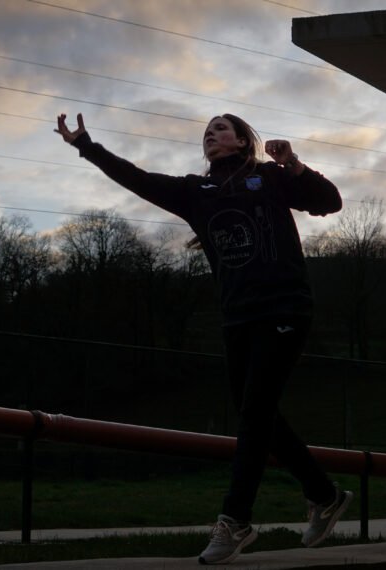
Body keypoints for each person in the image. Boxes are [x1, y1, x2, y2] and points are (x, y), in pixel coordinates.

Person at [55, 112, 351, 564]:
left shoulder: (268, 177)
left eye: (221, 128)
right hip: (237, 318)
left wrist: (295, 165)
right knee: (260, 416)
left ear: (242, 140)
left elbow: (329, 202)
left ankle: (235, 521)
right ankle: (324, 494)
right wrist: (86, 145)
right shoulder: (194, 192)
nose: (211, 135)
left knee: (254, 414)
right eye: (207, 132)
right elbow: (134, 177)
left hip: (285, 308)